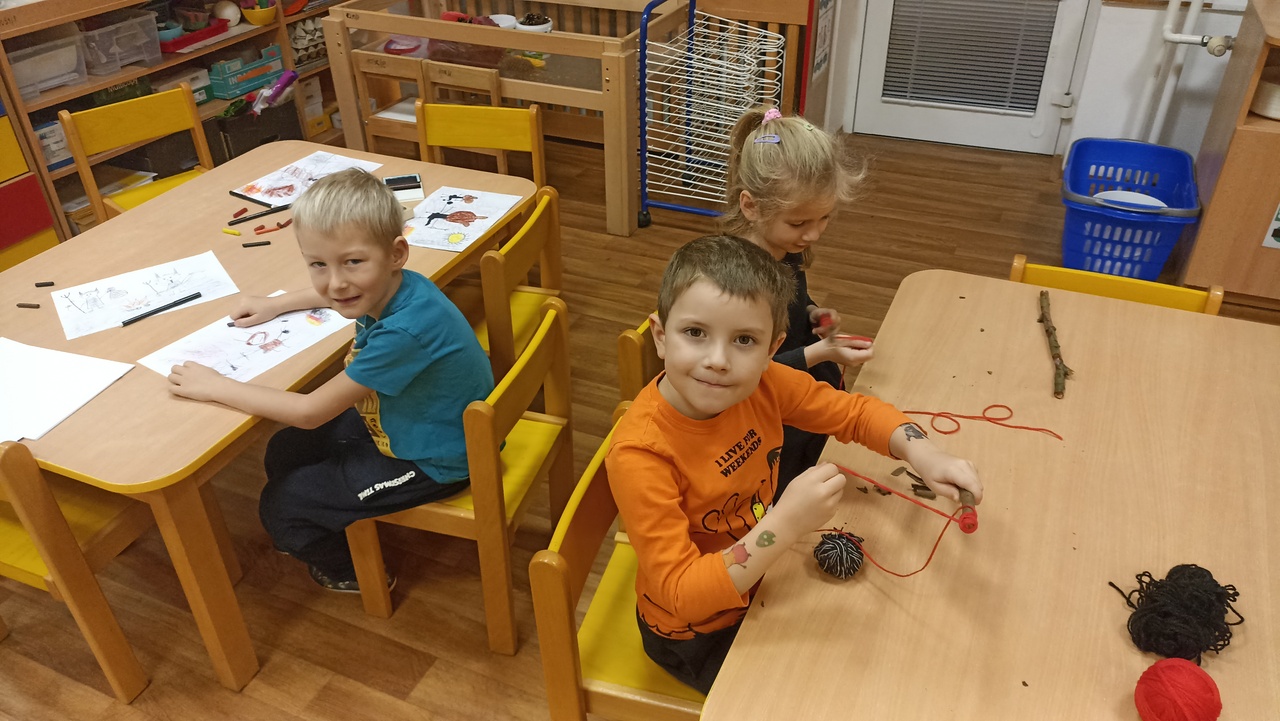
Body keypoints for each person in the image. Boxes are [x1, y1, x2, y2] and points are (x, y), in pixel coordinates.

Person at [606, 235, 983, 694]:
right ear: (661, 336)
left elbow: (854, 413)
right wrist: (784, 524)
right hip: (698, 634)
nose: (718, 360)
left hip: (763, 580)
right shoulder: (642, 453)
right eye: (695, 333)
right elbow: (682, 595)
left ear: (772, 348)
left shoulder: (764, 383)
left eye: (744, 340)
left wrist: (925, 453)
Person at [167, 168, 493, 592]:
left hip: (437, 461)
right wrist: (278, 304)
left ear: (396, 254)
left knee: (282, 506)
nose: (336, 283)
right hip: (412, 421)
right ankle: (320, 518)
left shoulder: (404, 332)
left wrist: (216, 387)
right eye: (318, 264)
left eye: (353, 262)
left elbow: (309, 411)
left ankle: (353, 572)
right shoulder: (400, 287)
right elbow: (341, 293)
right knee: (285, 448)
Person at [723, 105, 873, 497]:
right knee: (786, 490)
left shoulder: (784, 248)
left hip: (801, 397)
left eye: (824, 218)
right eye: (799, 223)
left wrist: (813, 312)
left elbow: (793, 302)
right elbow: (750, 371)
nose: (814, 234)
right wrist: (821, 353)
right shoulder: (739, 283)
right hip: (765, 416)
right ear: (751, 206)